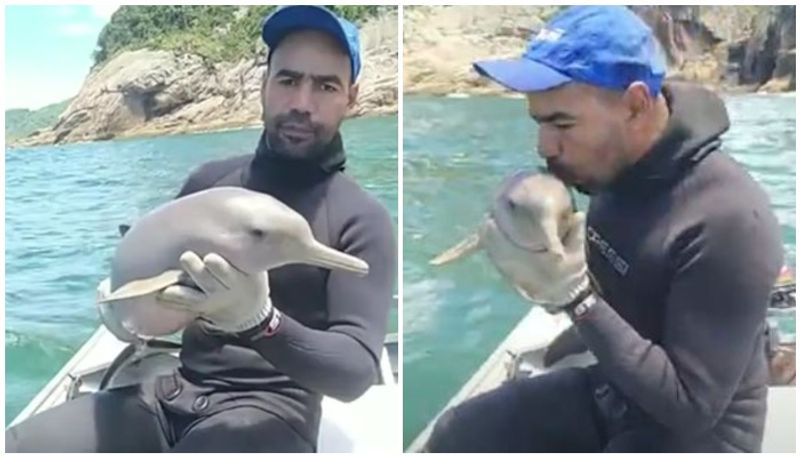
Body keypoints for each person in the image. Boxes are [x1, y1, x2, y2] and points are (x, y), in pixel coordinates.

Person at [6, 5, 396, 452]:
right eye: (288, 80)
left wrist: (260, 321)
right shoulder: (208, 183)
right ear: (265, 85)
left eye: (326, 86)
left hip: (272, 413)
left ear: (352, 97)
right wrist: (122, 309)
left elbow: (354, 373)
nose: (302, 104)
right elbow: (150, 287)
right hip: (169, 394)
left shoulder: (362, 220)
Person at [424, 6, 783, 453]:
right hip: (618, 393)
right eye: (539, 122)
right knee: (456, 433)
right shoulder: (615, 168)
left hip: (695, 436)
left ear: (634, 105)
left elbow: (690, 408)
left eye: (562, 123)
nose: (544, 146)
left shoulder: (728, 220)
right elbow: (625, 278)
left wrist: (575, 298)